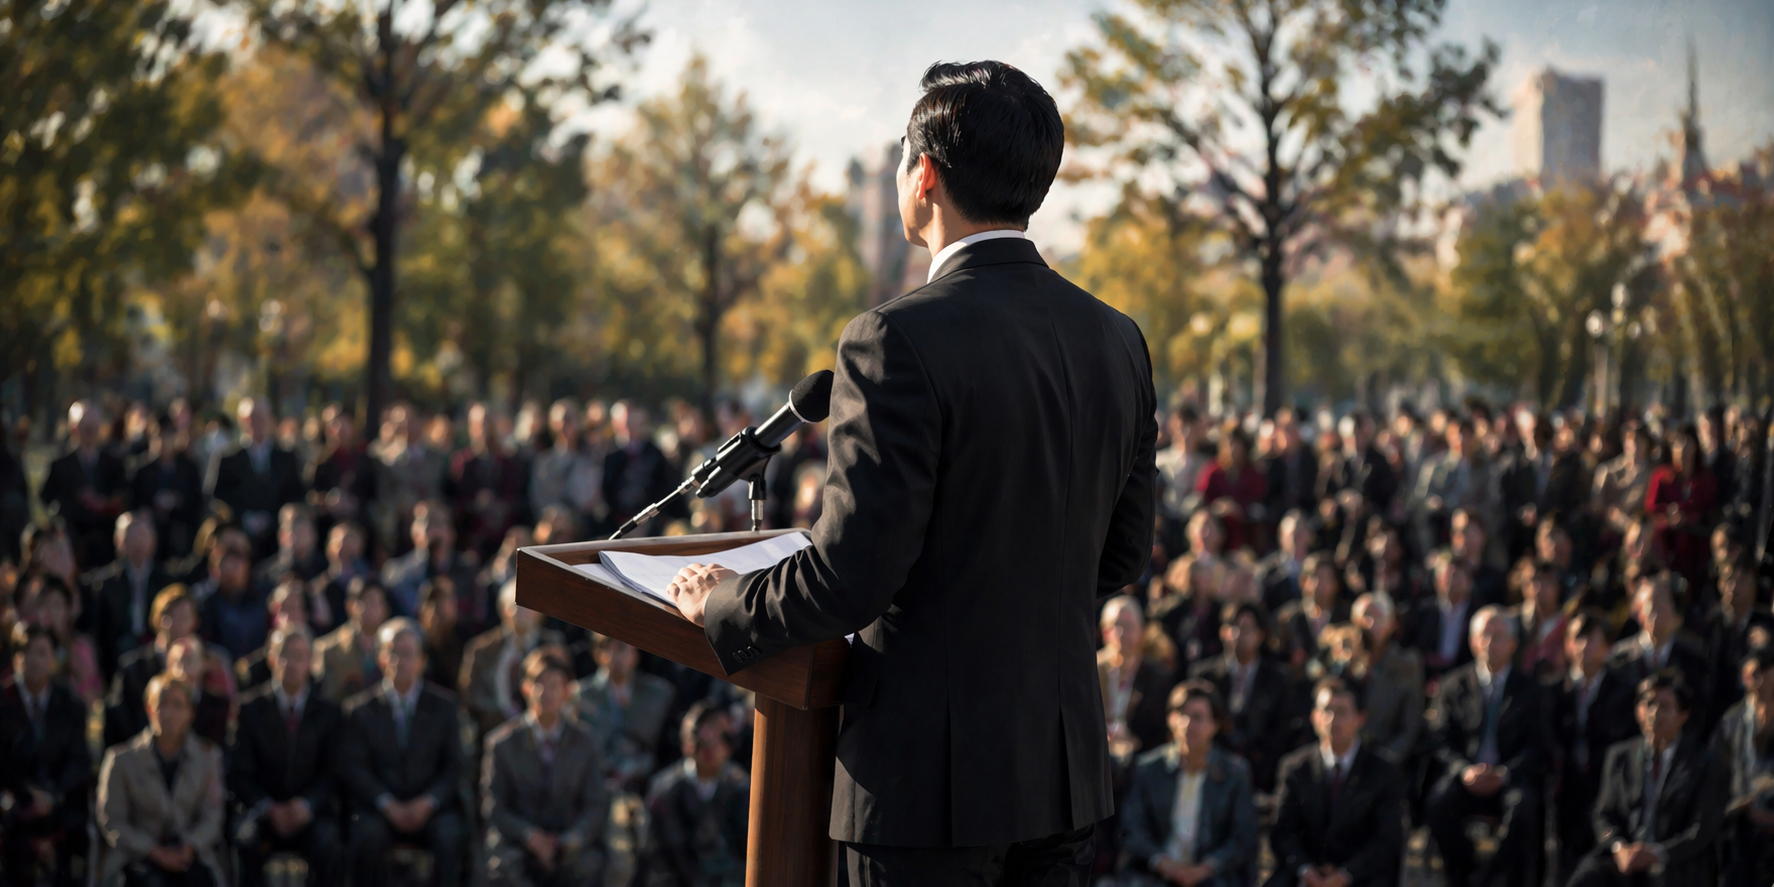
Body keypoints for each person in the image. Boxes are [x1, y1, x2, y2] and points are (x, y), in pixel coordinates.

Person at [662, 61, 1157, 882]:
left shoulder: (893, 338)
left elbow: (850, 577)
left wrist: (721, 599)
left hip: (925, 788)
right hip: (1060, 771)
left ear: (923, 174)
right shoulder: (1117, 338)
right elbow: (1123, 554)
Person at [1424, 605, 1547, 887]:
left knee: (1523, 807)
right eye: (1484, 635)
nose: (1491, 642)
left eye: (1499, 636)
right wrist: (1463, 769)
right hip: (1466, 775)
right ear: (1472, 641)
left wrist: (1504, 773)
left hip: (1510, 777)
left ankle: (1493, 876)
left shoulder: (1529, 690)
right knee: (1438, 803)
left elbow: (1537, 744)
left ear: (1513, 643)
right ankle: (1466, 873)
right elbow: (1439, 739)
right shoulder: (1453, 685)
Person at [338, 617, 466, 887]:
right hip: (380, 808)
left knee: (451, 834)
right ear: (381, 659)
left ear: (422, 660)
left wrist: (427, 802)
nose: (399, 661)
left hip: (430, 808)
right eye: (392, 652)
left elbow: (454, 766)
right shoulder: (360, 711)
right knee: (366, 835)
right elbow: (355, 768)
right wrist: (387, 804)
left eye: (407, 653)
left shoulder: (445, 707)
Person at [1568, 671, 1726, 887]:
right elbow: (1603, 814)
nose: (1654, 713)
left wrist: (1656, 853)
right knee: (1587, 875)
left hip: (1674, 860)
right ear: (1637, 711)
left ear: (1683, 715)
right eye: (1649, 704)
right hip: (1627, 857)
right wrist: (1619, 847)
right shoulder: (1620, 756)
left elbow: (1701, 829)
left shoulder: (1703, 762)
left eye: (1665, 707)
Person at [481, 650, 609, 887]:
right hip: (519, 842)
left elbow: (596, 804)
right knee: (505, 868)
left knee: (589, 866)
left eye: (553, 685)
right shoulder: (502, 744)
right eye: (537, 683)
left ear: (566, 692)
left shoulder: (586, 742)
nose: (544, 693)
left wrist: (571, 839)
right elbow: (494, 805)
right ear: (525, 688)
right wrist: (530, 836)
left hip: (569, 842)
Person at [228, 625, 343, 887]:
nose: (291, 663)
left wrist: (306, 805)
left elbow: (333, 773)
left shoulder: (329, 714)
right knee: (245, 840)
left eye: (299, 655)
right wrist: (268, 807)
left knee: (329, 842)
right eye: (284, 654)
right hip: (263, 812)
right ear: (271, 659)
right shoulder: (249, 709)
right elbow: (238, 773)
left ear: (311, 662)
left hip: (310, 813)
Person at [1265, 677, 1405, 887]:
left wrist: (1344, 875)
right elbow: (1282, 832)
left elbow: (1387, 840)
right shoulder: (1295, 767)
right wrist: (1306, 870)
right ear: (1314, 716)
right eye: (1326, 711)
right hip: (1306, 875)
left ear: (1360, 718)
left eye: (1341, 712)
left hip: (1361, 877)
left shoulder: (1383, 772)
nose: (1332, 720)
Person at [1118, 681, 1257, 886]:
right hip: (1158, 875)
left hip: (1212, 877)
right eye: (1181, 714)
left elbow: (1243, 838)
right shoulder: (1149, 769)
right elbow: (1132, 828)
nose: (1187, 724)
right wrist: (1163, 863)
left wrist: (1205, 868)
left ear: (1215, 725)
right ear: (1170, 719)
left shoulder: (1235, 773)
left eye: (1197, 717)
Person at [96, 673, 226, 887]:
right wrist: (153, 851)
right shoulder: (120, 760)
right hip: (135, 858)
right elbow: (112, 820)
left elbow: (213, 815)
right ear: (149, 708)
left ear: (190, 713)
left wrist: (189, 847)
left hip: (189, 858)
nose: (168, 713)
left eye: (178, 705)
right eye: (161, 704)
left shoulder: (208, 759)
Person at [1551, 609, 1640, 883]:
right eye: (1578, 638)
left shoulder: (1624, 691)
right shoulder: (1552, 690)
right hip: (1563, 788)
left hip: (1605, 785)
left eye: (1593, 639)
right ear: (1567, 644)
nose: (1585, 646)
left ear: (1607, 647)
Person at [1, 624, 92, 886]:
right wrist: (25, 796)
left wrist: (52, 796)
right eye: (25, 651)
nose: (34, 660)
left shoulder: (70, 704)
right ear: (15, 658)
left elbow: (79, 761)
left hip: (58, 806)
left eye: (42, 652)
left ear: (54, 659)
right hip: (12, 806)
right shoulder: (3, 701)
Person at [641, 701, 751, 887]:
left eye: (722, 738)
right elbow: (659, 857)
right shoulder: (664, 792)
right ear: (688, 743)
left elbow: (743, 852)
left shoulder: (741, 789)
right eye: (703, 741)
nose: (712, 747)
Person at [1189, 601, 1291, 792]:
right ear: (1223, 632)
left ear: (1260, 635)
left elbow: (1280, 732)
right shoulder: (1204, 675)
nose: (1238, 635)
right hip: (1212, 771)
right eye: (1233, 627)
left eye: (1246, 628)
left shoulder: (1278, 679)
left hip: (1261, 774)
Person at [460, 579, 565, 738]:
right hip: (493, 733)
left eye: (529, 606)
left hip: (543, 732)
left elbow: (564, 689)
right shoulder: (481, 650)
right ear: (503, 610)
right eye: (516, 605)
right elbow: (470, 695)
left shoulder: (553, 647)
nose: (522, 612)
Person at [1609, 573, 1711, 732]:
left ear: (1676, 613)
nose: (1656, 607)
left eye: (1663, 601)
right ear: (1638, 611)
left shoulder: (1694, 657)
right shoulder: (1620, 657)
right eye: (1649, 601)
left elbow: (1699, 712)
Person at [206, 398, 307, 561]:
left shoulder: (287, 458)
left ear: (270, 421)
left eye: (261, 417)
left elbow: (296, 494)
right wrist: (244, 517)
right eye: (250, 418)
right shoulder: (227, 458)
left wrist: (275, 517)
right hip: (238, 535)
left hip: (278, 536)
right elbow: (216, 496)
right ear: (242, 421)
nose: (255, 423)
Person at [577, 633, 677, 793]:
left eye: (621, 648)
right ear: (597, 653)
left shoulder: (658, 695)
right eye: (607, 648)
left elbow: (664, 749)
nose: (614, 656)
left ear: (635, 653)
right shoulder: (580, 696)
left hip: (643, 783)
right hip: (594, 781)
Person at [106, 586, 200, 747]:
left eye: (187, 617)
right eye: (175, 616)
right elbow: (119, 720)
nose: (182, 624)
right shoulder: (133, 669)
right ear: (158, 620)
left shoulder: (205, 664)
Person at [1712, 646, 1774, 887]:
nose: (1760, 682)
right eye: (1753, 675)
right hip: (1739, 822)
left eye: (1765, 673)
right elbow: (1717, 772)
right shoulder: (1732, 720)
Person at [38, 400, 127, 570]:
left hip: (106, 530)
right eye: (86, 427)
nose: (91, 432)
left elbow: (123, 492)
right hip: (73, 531)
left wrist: (104, 502)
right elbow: (47, 498)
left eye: (94, 427)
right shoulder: (60, 465)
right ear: (74, 428)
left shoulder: (113, 463)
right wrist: (77, 499)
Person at [87, 512, 173, 680]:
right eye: (131, 536)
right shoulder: (104, 583)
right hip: (117, 655)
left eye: (142, 536)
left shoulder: (166, 581)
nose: (137, 543)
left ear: (153, 541)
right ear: (118, 541)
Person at [382, 500, 484, 630]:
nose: (435, 530)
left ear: (452, 534)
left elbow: (477, 613)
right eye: (428, 523)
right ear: (414, 532)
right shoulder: (396, 572)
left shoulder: (468, 570)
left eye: (441, 523)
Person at [1348, 592, 1423, 765]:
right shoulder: (1342, 661)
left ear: (1392, 624)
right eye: (1365, 616)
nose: (1370, 624)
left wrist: (1384, 763)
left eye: (1378, 617)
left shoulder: (1407, 665)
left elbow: (1410, 727)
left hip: (1384, 760)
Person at [1100, 595, 1176, 760]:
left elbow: (1160, 734)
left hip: (1139, 762)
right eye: (1115, 625)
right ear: (1105, 631)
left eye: (1128, 626)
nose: (1121, 633)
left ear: (1141, 632)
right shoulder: (1091, 671)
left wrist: (1135, 742)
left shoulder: (1158, 679)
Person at [311, 577, 390, 702]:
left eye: (380, 602)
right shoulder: (327, 649)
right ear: (351, 606)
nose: (376, 608)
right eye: (369, 601)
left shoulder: (394, 647)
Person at [1401, 552, 1475, 680]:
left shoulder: (1477, 615)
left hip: (1464, 679)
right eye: (1447, 577)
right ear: (1437, 580)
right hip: (1425, 677)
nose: (1452, 582)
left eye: (1457, 577)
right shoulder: (1421, 612)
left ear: (1469, 582)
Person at [197, 548, 266, 660]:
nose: (231, 574)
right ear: (215, 570)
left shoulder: (260, 599)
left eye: (236, 567)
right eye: (226, 567)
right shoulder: (204, 603)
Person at [1512, 558, 1569, 678]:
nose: (1539, 588)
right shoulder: (1511, 621)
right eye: (1534, 581)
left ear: (1558, 587)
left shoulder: (1568, 625)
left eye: (1547, 582)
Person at [254, 504, 328, 592]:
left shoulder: (327, 571)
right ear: (282, 535)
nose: (299, 531)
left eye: (303, 523)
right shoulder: (266, 575)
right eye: (292, 525)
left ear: (313, 533)